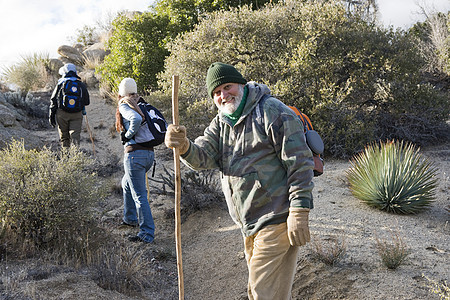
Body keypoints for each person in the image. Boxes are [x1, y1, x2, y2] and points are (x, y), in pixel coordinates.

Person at [165, 62, 315, 299]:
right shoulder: (222, 122)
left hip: (276, 218)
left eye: (228, 87)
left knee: (262, 292)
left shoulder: (272, 111)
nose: (223, 95)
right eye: (216, 92)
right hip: (248, 224)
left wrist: (299, 210)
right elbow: (203, 156)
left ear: (241, 85)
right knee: (267, 293)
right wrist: (183, 145)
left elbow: (300, 162)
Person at [115, 78, 155, 244]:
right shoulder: (142, 103)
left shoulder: (125, 104)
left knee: (140, 196)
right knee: (126, 183)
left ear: (120, 94)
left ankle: (146, 234)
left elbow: (136, 120)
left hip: (135, 155)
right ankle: (130, 218)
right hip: (148, 155)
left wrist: (127, 135)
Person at [49, 63, 90, 147]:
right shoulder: (80, 84)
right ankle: (75, 157)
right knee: (75, 138)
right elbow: (87, 102)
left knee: (64, 137)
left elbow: (53, 100)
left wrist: (51, 116)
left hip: (62, 114)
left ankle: (66, 158)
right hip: (77, 114)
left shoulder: (60, 83)